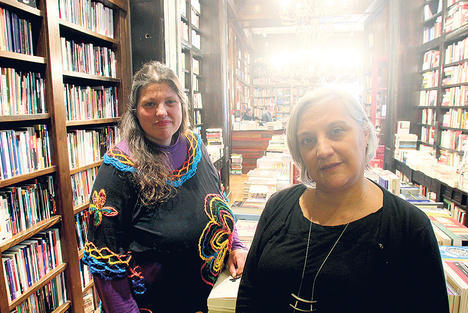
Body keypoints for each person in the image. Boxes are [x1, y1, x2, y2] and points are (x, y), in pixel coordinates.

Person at [236, 88, 449, 313]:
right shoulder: (278, 206)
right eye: (307, 140)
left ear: (365, 134)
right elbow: (249, 293)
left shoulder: (408, 227)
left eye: (336, 131)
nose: (323, 150)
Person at [83, 61, 247, 313]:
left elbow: (219, 203)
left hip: (215, 298)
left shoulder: (195, 146)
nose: (162, 111)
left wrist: (236, 245)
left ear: (182, 105)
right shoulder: (118, 169)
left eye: (170, 102)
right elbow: (106, 267)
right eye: (150, 104)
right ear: (135, 111)